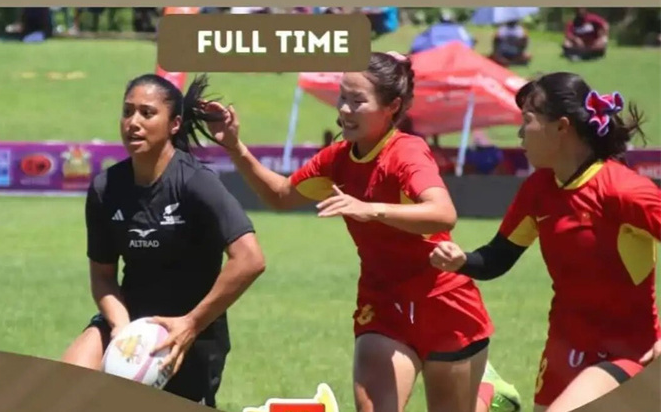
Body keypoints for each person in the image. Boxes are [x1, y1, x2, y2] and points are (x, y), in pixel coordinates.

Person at [203, 52, 521, 412]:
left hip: (443, 303)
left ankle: (490, 396)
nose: (345, 109)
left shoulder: (406, 153)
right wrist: (234, 146)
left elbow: (443, 214)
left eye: (358, 101)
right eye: (342, 97)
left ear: (392, 106)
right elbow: (281, 196)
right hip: (382, 303)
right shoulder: (336, 159)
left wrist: (372, 209)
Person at [429, 72, 661, 412]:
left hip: (629, 353)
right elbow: (497, 258)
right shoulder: (538, 190)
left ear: (561, 127)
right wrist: (461, 260)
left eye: (527, 120)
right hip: (563, 349)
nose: (520, 133)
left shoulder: (624, 191)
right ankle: (492, 395)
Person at [61, 73, 267, 408]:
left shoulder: (196, 182)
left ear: (174, 124)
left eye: (147, 113)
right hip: (129, 319)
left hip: (191, 333)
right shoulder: (106, 188)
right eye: (127, 112)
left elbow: (250, 259)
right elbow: (102, 276)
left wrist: (191, 324)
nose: (133, 122)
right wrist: (122, 329)